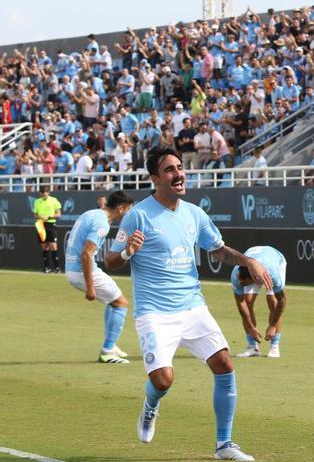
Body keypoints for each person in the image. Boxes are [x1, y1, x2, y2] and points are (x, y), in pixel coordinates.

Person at [105, 148, 272, 461]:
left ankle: (224, 445)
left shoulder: (195, 213)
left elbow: (219, 250)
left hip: (193, 306)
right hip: (154, 312)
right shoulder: (138, 214)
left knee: (224, 364)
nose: (178, 174)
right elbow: (110, 260)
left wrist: (248, 260)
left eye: (180, 167)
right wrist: (127, 251)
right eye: (169, 170)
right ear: (155, 178)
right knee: (163, 380)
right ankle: (151, 405)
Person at [65, 191, 135, 363]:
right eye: (127, 210)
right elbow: (87, 254)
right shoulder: (101, 224)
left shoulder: (91, 213)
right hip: (82, 270)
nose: (127, 214)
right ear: (120, 208)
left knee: (114, 301)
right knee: (121, 303)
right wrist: (90, 287)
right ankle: (107, 350)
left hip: (73, 268)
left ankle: (110, 344)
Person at [231, 246, 288, 359]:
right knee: (247, 302)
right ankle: (252, 347)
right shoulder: (236, 275)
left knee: (273, 301)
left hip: (276, 260)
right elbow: (240, 302)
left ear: (255, 279)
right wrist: (251, 327)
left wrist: (272, 326)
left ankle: (274, 346)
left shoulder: (272, 273)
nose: (242, 286)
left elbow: (282, 299)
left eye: (245, 284)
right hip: (253, 264)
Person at [34, 186, 62, 273]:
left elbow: (58, 214)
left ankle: (57, 268)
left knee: (53, 246)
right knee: (44, 246)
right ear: (40, 193)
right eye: (42, 192)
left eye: (46, 192)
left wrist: (49, 217)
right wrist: (40, 216)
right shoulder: (37, 201)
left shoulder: (54, 200)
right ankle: (46, 268)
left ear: (48, 192)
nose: (44, 194)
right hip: (41, 224)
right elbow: (35, 215)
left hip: (50, 223)